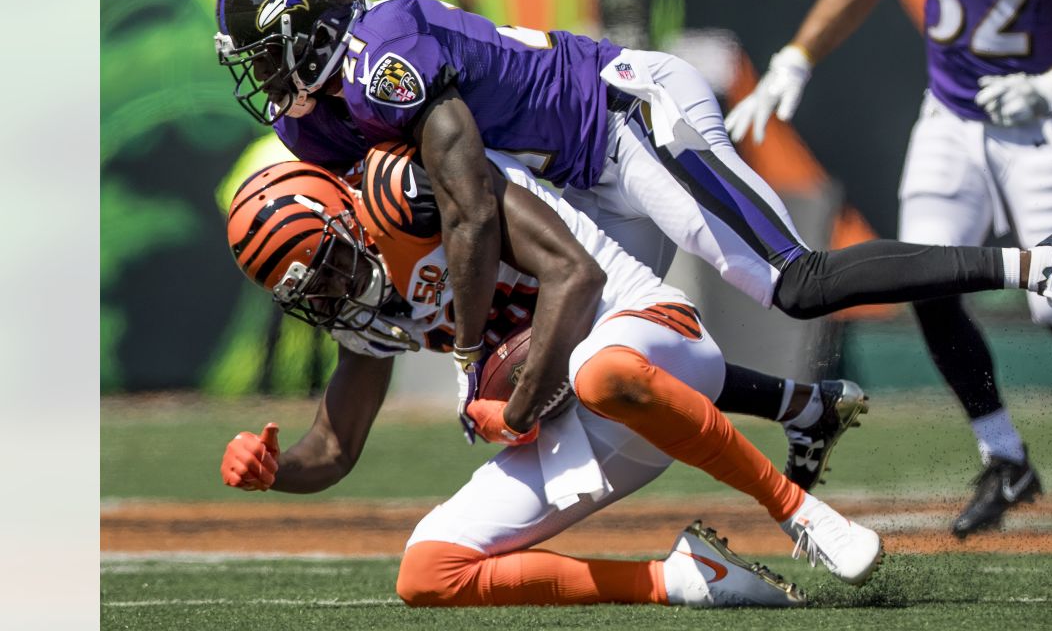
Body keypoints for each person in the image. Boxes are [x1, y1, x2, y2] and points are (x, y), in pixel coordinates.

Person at [212, 0, 1052, 458]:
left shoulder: (384, 54)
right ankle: (809, 410)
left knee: (794, 282)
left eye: (263, 49)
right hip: (575, 174)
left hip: (624, 117)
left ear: (314, 25)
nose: (258, 73)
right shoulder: (313, 127)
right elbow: (377, 208)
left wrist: (462, 355)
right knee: (612, 351)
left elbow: (474, 208)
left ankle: (1042, 260)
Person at [218, 147, 886, 607]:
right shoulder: (356, 310)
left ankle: (802, 513)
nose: (335, 293)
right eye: (314, 292)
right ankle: (685, 579)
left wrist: (514, 410)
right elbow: (334, 447)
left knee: (602, 370)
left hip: (643, 331)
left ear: (344, 210)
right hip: (570, 413)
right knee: (429, 571)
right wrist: (276, 470)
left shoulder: (413, 192)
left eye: (331, 265)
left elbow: (576, 276)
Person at [725, 0, 1052, 547]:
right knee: (921, 276)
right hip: (951, 117)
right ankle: (1003, 455)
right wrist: (797, 56)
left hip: (1038, 125)